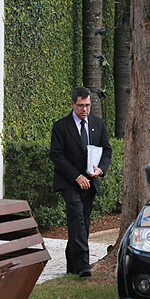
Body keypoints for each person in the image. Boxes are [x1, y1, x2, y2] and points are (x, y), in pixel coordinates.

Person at [50, 86, 112, 277]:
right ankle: (84, 265)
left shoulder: (98, 124)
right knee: (77, 218)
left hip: (91, 181)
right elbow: (56, 155)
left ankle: (72, 265)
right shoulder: (60, 126)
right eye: (80, 106)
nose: (84, 109)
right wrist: (76, 176)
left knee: (82, 221)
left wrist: (101, 169)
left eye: (87, 105)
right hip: (69, 182)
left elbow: (107, 150)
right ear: (72, 104)